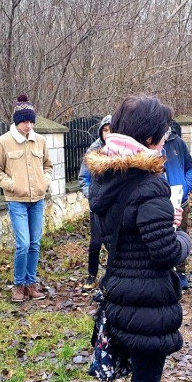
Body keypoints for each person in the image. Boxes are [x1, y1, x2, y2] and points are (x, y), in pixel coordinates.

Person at [84, 94, 192, 382]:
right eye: (164, 136)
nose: (167, 141)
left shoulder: (109, 178)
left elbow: (125, 232)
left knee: (148, 372)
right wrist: (182, 235)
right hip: (146, 295)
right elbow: (164, 250)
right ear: (149, 138)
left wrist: (164, 218)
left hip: (120, 291)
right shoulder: (149, 184)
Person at [0, 94, 53, 303]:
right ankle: (18, 285)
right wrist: (12, 185)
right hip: (16, 200)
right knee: (23, 244)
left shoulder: (40, 141)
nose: (29, 125)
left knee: (35, 243)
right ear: (17, 121)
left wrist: (46, 181)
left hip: (38, 199)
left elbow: (48, 166)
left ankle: (30, 284)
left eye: (31, 121)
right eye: (25, 121)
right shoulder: (3, 142)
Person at [78, 115, 112, 291]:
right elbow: (83, 178)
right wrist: (92, 196)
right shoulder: (93, 151)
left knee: (114, 242)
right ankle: (91, 275)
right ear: (100, 131)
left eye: (111, 130)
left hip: (114, 206)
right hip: (97, 206)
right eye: (105, 130)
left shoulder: (121, 151)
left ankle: (113, 274)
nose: (107, 134)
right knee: (95, 243)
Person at [162, 127, 192, 289]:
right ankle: (165, 272)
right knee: (161, 236)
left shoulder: (178, 143)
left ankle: (181, 272)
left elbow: (190, 168)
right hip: (159, 202)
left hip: (180, 201)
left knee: (181, 235)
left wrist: (186, 186)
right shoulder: (149, 143)